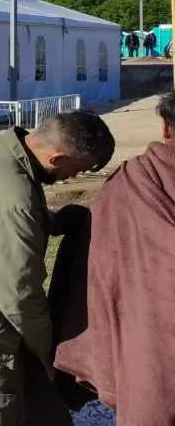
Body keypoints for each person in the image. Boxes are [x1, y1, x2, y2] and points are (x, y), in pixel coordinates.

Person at [0, 111, 114, 426]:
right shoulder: (15, 202)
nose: (72, 178)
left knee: (45, 412)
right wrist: (48, 351)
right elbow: (19, 296)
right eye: (77, 170)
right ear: (57, 158)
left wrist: (52, 222)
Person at [54, 93, 175, 424]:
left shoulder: (130, 182)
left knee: (150, 396)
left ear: (166, 128)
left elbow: (102, 265)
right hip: (148, 333)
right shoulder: (133, 181)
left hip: (147, 339)